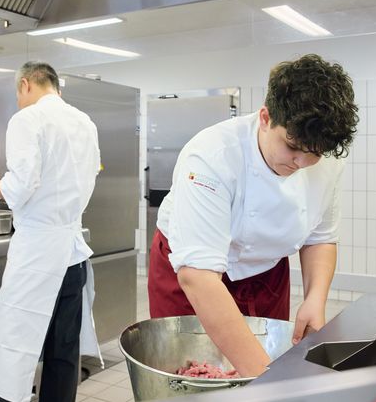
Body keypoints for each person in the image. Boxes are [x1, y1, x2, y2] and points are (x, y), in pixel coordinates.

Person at [148, 54, 358, 377]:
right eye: (292, 146)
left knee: (264, 362)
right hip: (189, 274)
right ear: (265, 118)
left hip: (266, 278)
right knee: (191, 379)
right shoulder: (211, 156)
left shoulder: (328, 159)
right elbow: (199, 277)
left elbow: (320, 237)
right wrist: (269, 383)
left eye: (314, 153)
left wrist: (315, 299)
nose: (301, 162)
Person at [0, 62, 101, 402]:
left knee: (14, 352)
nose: (18, 101)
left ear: (26, 84)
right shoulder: (84, 122)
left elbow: (19, 187)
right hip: (72, 255)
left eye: (17, 94)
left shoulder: (27, 119)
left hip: (36, 256)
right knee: (63, 355)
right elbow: (89, 176)